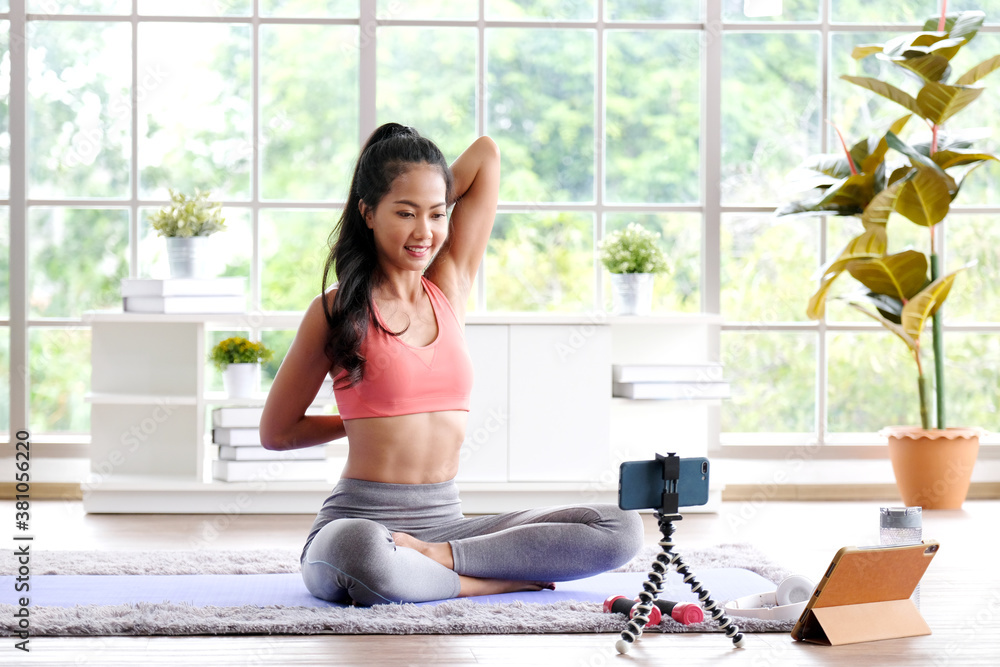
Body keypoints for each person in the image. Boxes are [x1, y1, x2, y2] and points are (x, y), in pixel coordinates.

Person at [260, 123, 643, 606]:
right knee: (363, 555)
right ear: (367, 213)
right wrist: (365, 417)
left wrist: (423, 183)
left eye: (437, 214)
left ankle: (439, 560)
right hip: (359, 522)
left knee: (620, 529)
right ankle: (478, 581)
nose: (425, 232)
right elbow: (277, 433)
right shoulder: (336, 311)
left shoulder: (449, 286)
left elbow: (486, 154)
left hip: (447, 524)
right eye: (404, 212)